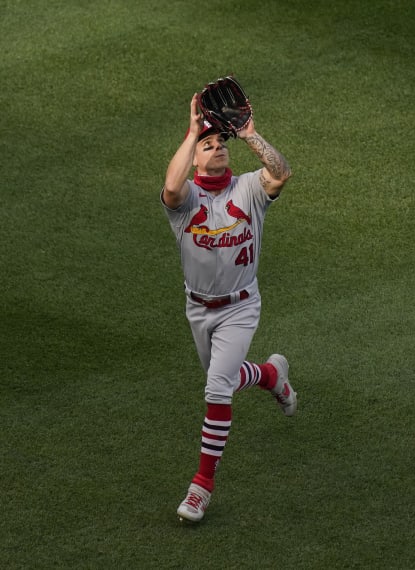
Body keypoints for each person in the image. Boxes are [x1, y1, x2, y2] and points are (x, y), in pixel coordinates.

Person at [161, 91, 297, 523]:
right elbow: (170, 185)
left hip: (241, 307)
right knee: (225, 378)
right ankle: (271, 375)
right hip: (198, 310)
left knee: (217, 387)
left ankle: (201, 487)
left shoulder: (249, 188)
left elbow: (281, 173)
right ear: (195, 160)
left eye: (222, 143)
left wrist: (251, 135)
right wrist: (192, 131)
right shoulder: (185, 206)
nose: (218, 147)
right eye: (208, 144)